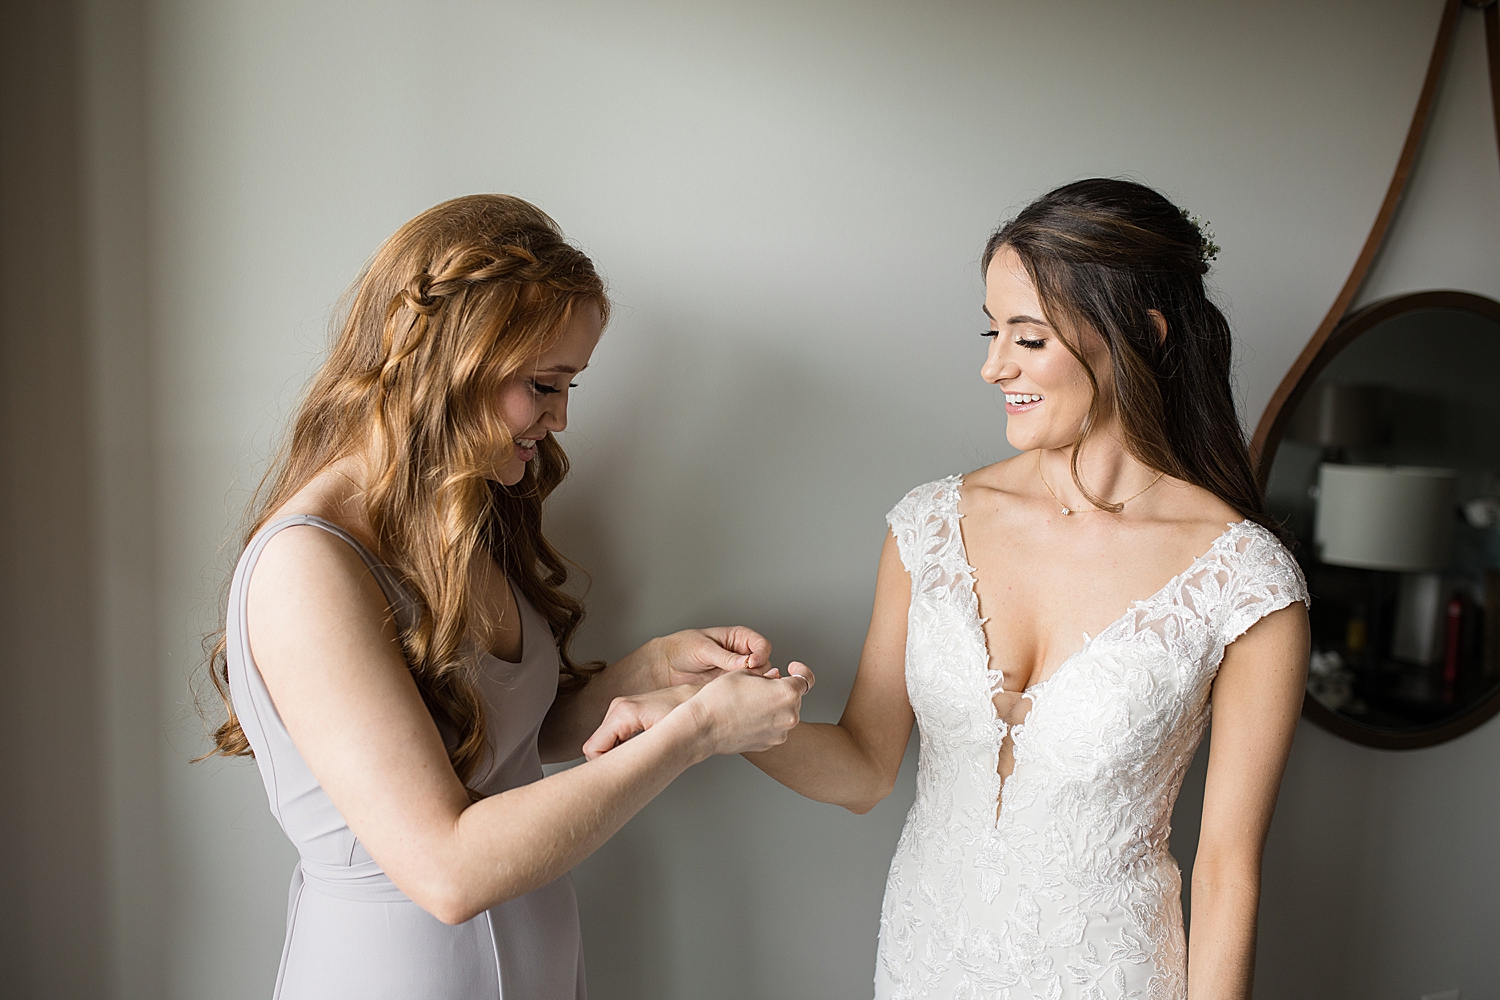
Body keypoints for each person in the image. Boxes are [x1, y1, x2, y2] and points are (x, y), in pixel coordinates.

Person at [594, 178, 1311, 999]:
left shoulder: (1246, 582)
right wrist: (704, 718)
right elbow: (865, 767)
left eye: (1028, 338)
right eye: (992, 330)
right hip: (925, 962)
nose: (992, 365)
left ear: (1143, 336)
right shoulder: (929, 528)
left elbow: (1227, 870)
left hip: (1112, 975)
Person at [199, 193, 813, 1000]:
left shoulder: (461, 516)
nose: (559, 416)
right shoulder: (306, 567)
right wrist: (693, 734)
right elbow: (446, 870)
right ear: (449, 361)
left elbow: (500, 750)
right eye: (543, 383)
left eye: (569, 385)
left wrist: (651, 671)